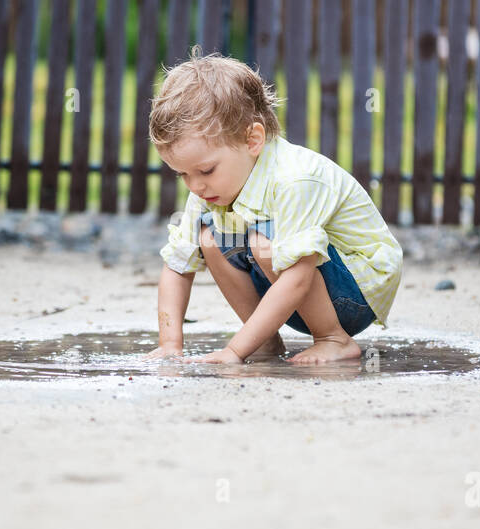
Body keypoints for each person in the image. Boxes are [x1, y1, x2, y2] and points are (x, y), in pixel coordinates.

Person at [146, 49, 403, 365]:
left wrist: (233, 352)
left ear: (253, 140)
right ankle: (265, 341)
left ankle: (333, 339)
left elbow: (297, 275)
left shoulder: (294, 179)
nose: (195, 186)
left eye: (206, 170)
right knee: (210, 239)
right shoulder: (207, 188)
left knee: (262, 241)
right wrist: (170, 344)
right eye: (182, 174)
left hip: (355, 294)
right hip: (293, 298)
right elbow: (177, 265)